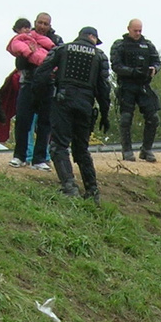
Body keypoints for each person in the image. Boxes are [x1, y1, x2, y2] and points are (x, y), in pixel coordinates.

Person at [43, 26, 110, 201]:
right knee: (81, 149)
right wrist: (105, 113)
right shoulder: (100, 56)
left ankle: (69, 187)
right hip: (86, 105)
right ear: (91, 37)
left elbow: (42, 72)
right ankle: (93, 192)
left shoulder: (62, 50)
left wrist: (41, 98)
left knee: (59, 145)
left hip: (63, 100)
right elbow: (104, 88)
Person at [8, 13, 60, 168]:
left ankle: (39, 159)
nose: (42, 26)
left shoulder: (56, 41)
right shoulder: (25, 38)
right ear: (35, 23)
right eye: (40, 23)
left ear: (50, 26)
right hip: (28, 83)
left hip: (48, 85)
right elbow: (20, 64)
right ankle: (20, 156)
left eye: (46, 24)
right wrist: (28, 54)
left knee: (45, 123)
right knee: (23, 120)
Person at [110, 18, 161, 162]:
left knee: (153, 118)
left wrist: (154, 69)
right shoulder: (120, 45)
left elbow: (157, 62)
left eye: (140, 30)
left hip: (144, 86)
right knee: (126, 118)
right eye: (135, 30)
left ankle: (146, 149)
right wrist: (133, 71)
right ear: (128, 29)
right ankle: (127, 150)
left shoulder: (147, 45)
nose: (138, 33)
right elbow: (116, 66)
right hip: (127, 86)